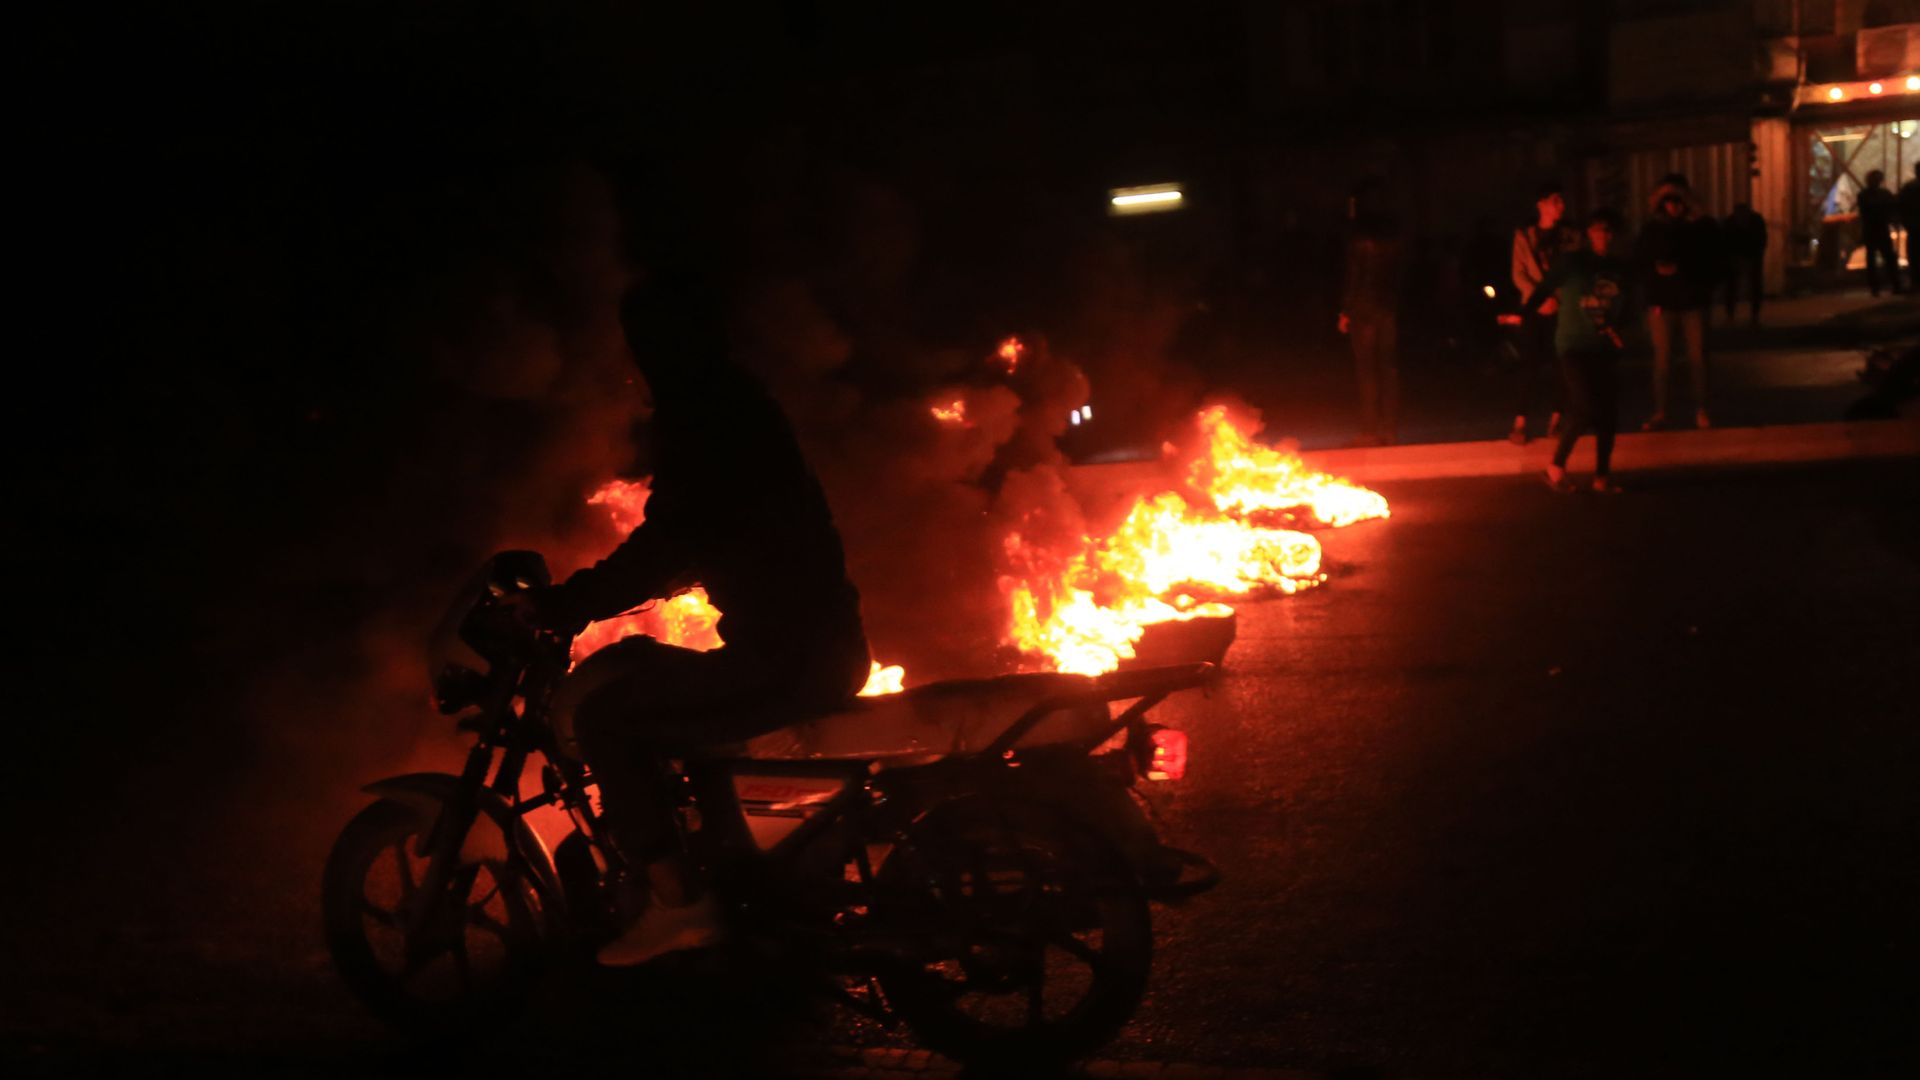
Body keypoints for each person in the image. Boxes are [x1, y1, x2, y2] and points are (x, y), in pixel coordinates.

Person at [536, 274, 872, 968]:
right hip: (816, 641)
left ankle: (681, 905)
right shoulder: (743, 404)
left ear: (658, 349)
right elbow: (726, 532)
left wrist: (564, 604)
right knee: (663, 685)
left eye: (637, 352)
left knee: (606, 718)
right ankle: (732, 869)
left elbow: (671, 538)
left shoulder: (702, 417)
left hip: (785, 653)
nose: (632, 372)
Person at [1527, 209, 1635, 494]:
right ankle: (1555, 467)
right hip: (1573, 345)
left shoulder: (1619, 268)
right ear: (1589, 234)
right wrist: (1526, 314)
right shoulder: (1574, 262)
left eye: (1608, 231)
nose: (1603, 236)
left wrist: (1618, 328)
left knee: (1608, 414)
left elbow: (1627, 305)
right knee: (1584, 406)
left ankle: (1602, 477)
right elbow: (1544, 287)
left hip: (1604, 347)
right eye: (1598, 230)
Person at [1634, 174, 1715, 430]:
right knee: (1662, 360)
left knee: (1697, 358)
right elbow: (1641, 265)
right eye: (1668, 201)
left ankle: (1701, 409)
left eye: (1677, 200)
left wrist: (1682, 269)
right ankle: (1660, 411)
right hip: (1662, 305)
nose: (1673, 206)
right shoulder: (1652, 229)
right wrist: (1653, 294)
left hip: (1692, 302)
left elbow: (1710, 258)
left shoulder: (1698, 227)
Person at [1337, 177, 1406, 446]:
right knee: (1388, 367)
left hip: (1363, 307)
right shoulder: (1394, 232)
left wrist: (1345, 310)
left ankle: (1369, 428)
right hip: (1387, 305)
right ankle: (1389, 428)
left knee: (1366, 369)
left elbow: (1354, 274)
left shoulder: (1357, 235)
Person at [1509, 180, 1577, 444]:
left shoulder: (1569, 235)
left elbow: (1572, 269)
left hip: (1561, 308)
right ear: (1542, 204)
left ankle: (1556, 420)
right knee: (1530, 364)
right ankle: (1520, 421)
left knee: (1562, 365)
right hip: (1535, 309)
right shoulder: (1525, 236)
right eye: (1555, 200)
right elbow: (1519, 274)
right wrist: (1540, 299)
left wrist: (1558, 298)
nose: (1561, 206)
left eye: (1561, 200)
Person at [1858, 169, 1903, 296]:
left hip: (1875, 230)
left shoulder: (1866, 194)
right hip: (1876, 229)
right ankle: (1889, 285)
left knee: (1881, 259)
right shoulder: (1872, 195)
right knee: (1884, 258)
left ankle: (1885, 286)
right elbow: (1888, 208)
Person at [1721, 202, 1768, 327]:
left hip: (1748, 256)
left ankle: (1750, 316)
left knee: (1749, 286)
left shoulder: (1733, 222)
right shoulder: (1734, 222)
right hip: (1740, 256)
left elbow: (1761, 239)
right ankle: (1747, 315)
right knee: (1736, 286)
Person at [1901, 163, 1920, 278]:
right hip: (1913, 224)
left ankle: (1915, 278)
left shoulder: (1909, 187)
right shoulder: (1910, 187)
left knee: (1914, 253)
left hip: (1913, 225)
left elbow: (1902, 205)